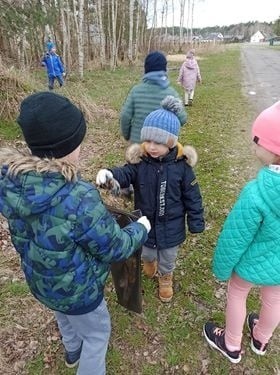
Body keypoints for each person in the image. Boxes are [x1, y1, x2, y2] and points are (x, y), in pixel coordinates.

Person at [0, 91, 151, 374]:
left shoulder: (13, 184)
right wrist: (140, 229)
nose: (81, 148)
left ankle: (72, 351)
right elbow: (113, 247)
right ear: (65, 147)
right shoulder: (77, 197)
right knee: (97, 334)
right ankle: (83, 358)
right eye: (78, 142)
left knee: (63, 316)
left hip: (43, 284)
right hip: (79, 291)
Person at [96, 96, 205, 302]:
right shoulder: (140, 163)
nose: (152, 147)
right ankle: (149, 263)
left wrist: (196, 221)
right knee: (146, 252)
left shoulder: (182, 167)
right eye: (148, 141)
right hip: (145, 221)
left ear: (171, 142)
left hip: (172, 225)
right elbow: (125, 173)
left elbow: (193, 196)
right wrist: (110, 174)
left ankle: (165, 277)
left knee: (168, 257)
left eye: (159, 142)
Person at [203, 101, 280, 364]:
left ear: (274, 149)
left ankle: (231, 343)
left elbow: (234, 237)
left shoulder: (256, 193)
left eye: (257, 141)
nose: (254, 145)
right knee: (275, 297)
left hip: (251, 262)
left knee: (237, 292)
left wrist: (222, 268)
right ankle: (261, 337)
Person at [120, 51, 187, 144]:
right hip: (162, 147)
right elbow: (183, 119)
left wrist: (127, 135)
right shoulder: (171, 93)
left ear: (146, 69)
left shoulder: (136, 91)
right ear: (165, 69)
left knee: (135, 158)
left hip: (138, 144)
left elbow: (125, 116)